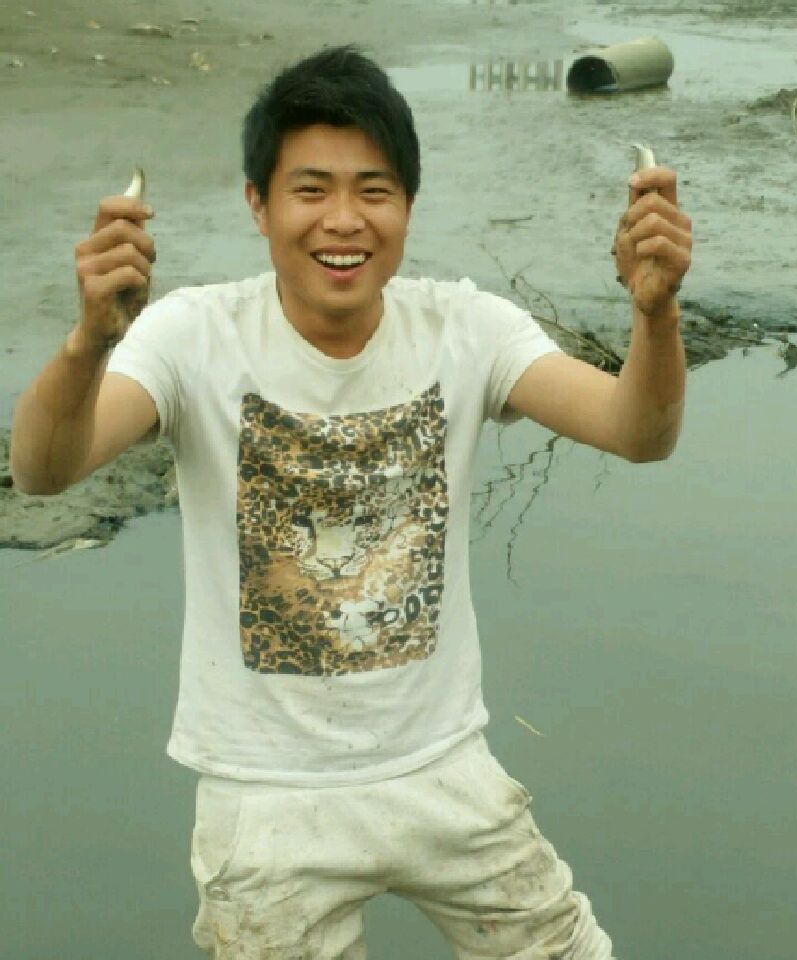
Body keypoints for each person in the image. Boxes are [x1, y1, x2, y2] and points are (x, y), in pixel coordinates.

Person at [11, 45, 691, 960]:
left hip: (443, 767)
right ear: (258, 204)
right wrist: (89, 342)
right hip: (266, 796)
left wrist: (655, 314)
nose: (343, 221)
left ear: (408, 204)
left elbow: (639, 433)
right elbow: (44, 470)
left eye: (374, 191)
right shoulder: (190, 337)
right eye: (310, 190)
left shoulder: (468, 328)